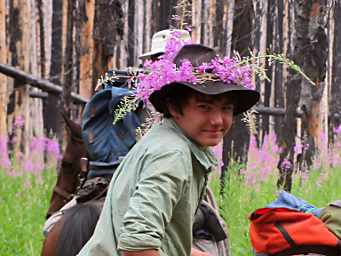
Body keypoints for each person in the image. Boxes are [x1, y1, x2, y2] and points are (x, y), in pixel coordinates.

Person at [77, 42, 260, 256]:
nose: (218, 120)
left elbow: (162, 239)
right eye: (204, 107)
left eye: (226, 108)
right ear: (174, 108)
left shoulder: (167, 140)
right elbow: (138, 244)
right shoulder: (172, 154)